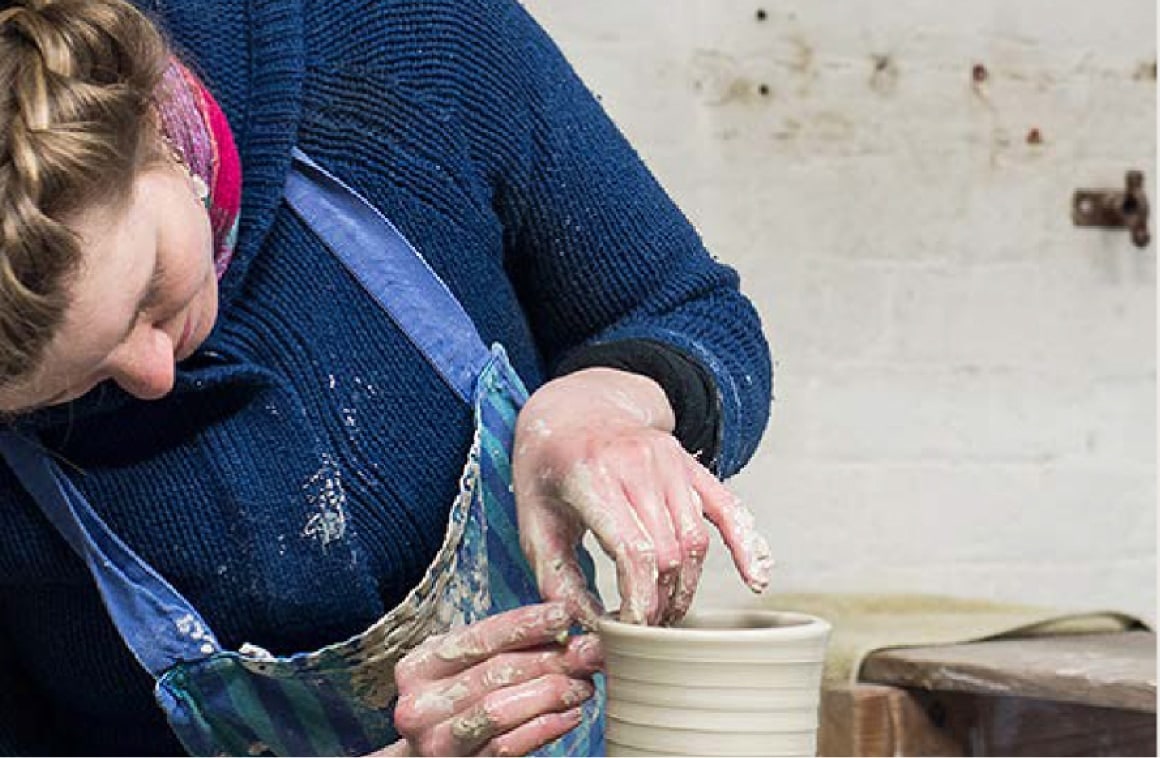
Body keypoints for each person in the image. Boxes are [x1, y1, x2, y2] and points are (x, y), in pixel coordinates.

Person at [0, 0, 775, 755]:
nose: (154, 375)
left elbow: (688, 309)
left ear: (150, 124)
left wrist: (616, 399)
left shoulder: (404, 36)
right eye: (63, 393)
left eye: (150, 290)